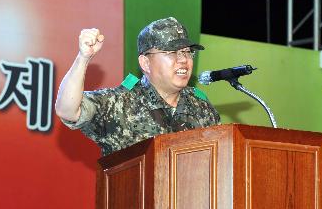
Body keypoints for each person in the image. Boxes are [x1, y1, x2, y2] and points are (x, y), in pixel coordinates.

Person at [54, 17, 221, 155]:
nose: (183, 59)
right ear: (145, 62)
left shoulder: (202, 107)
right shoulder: (119, 103)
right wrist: (83, 57)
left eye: (186, 52)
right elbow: (67, 110)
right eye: (171, 52)